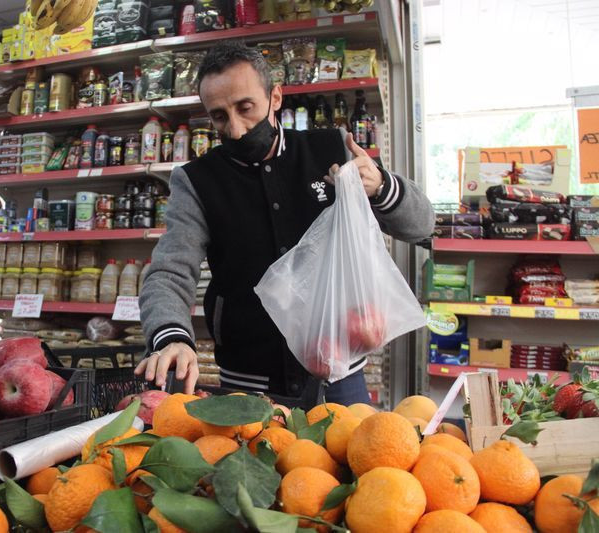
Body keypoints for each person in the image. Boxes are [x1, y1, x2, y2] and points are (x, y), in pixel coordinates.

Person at [135, 41, 433, 404]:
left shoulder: (331, 149)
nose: (237, 129)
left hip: (340, 375)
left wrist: (381, 186)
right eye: (219, 116)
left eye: (246, 108)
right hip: (247, 383)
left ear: (275, 97)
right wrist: (172, 337)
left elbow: (421, 224)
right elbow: (169, 270)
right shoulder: (197, 180)